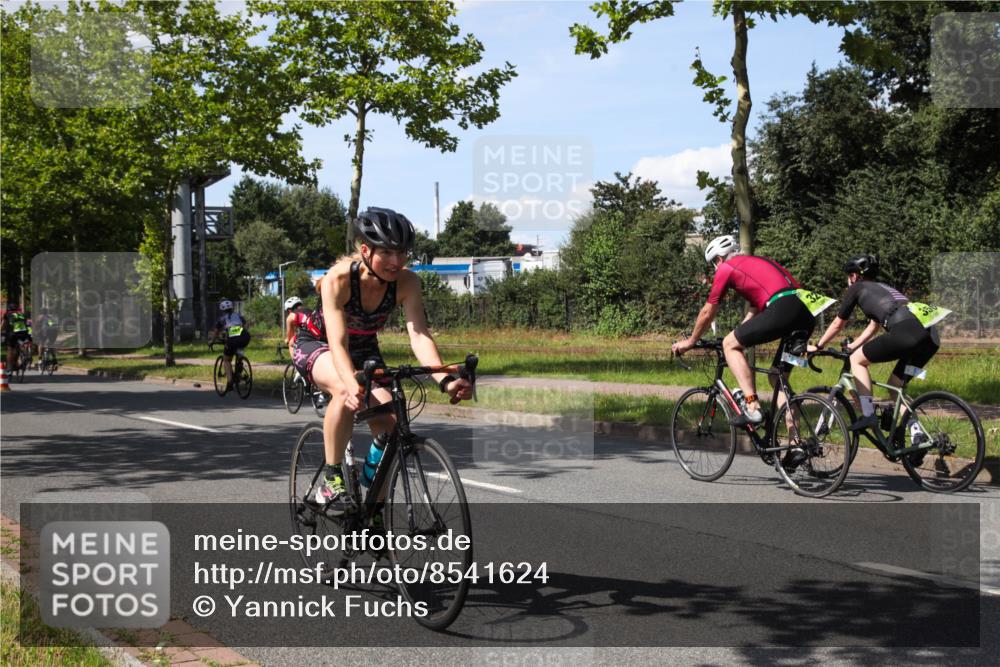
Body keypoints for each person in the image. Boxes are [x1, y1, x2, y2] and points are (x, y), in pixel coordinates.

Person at [292, 207, 473, 515]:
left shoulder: (407, 282)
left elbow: (419, 335)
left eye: (402, 252)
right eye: (387, 252)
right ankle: (331, 480)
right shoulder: (338, 280)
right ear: (365, 249)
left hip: (364, 349)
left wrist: (445, 379)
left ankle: (371, 507)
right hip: (319, 343)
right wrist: (350, 383)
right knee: (341, 387)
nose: (396, 261)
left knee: (389, 424)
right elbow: (337, 342)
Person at [672, 236, 828, 466]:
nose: (715, 268)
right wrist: (740, 331)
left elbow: (708, 311)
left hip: (783, 309)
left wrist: (691, 341)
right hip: (805, 313)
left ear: (718, 259)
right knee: (778, 377)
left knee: (729, 345)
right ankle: (796, 444)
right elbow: (756, 307)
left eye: (714, 263)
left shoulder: (726, 268)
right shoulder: (760, 262)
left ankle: (753, 406)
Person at [809, 254, 941, 438]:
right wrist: (854, 344)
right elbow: (874, 325)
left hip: (905, 330)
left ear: (854, 276)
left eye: (849, 276)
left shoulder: (856, 288)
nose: (849, 280)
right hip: (929, 336)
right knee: (895, 385)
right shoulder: (884, 289)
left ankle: (868, 414)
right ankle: (917, 434)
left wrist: (818, 346)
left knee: (857, 361)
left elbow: (838, 324)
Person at [209, 300, 250, 392]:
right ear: (232, 308)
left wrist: (212, 341)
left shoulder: (221, 319)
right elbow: (246, 325)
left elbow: (216, 332)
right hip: (244, 336)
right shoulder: (238, 315)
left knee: (226, 359)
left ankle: (230, 381)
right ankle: (239, 370)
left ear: (222, 310)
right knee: (239, 351)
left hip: (233, 338)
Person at [3, 303, 32, 373]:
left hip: (14, 334)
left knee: (10, 349)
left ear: (9, 309)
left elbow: (3, 324)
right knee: (19, 345)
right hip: (24, 333)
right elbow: (26, 324)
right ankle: (24, 356)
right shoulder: (22, 314)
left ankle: (9, 367)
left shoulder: (7, 314)